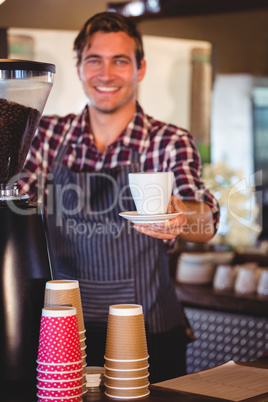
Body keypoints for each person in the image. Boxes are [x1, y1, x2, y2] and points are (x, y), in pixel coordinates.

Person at [19, 12, 220, 383]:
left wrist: (182, 216)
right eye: (94, 60)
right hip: (64, 329)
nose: (106, 74)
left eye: (120, 61)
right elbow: (15, 197)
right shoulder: (48, 134)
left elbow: (204, 221)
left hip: (149, 333)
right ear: (79, 68)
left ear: (140, 69)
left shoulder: (168, 141)